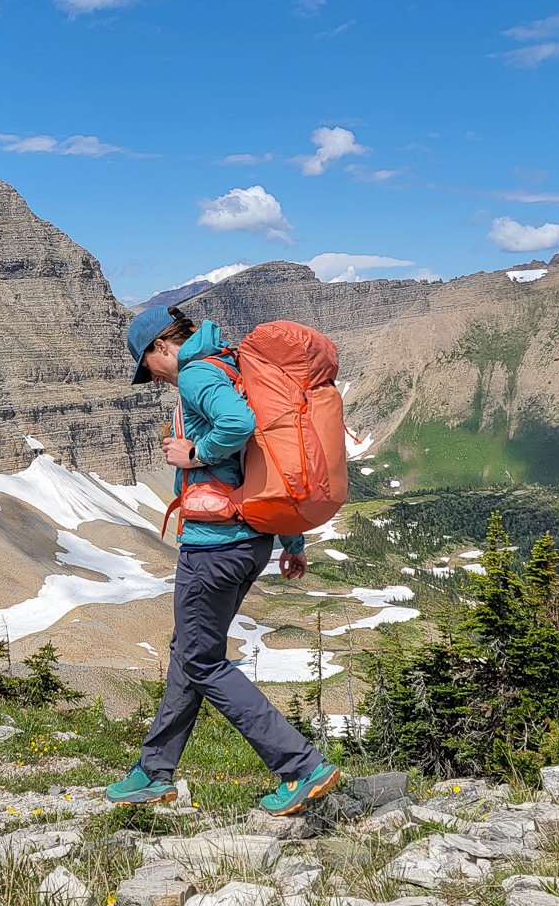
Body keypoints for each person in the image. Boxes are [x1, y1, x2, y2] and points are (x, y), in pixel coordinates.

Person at [104, 306, 341, 817]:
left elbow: (239, 425)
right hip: (250, 538)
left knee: (202, 659)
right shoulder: (230, 363)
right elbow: (264, 459)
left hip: (215, 546)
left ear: (162, 347)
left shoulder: (194, 373)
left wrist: (193, 454)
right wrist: (291, 541)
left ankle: (300, 765)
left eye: (148, 367)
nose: (153, 379)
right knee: (190, 649)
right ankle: (154, 769)